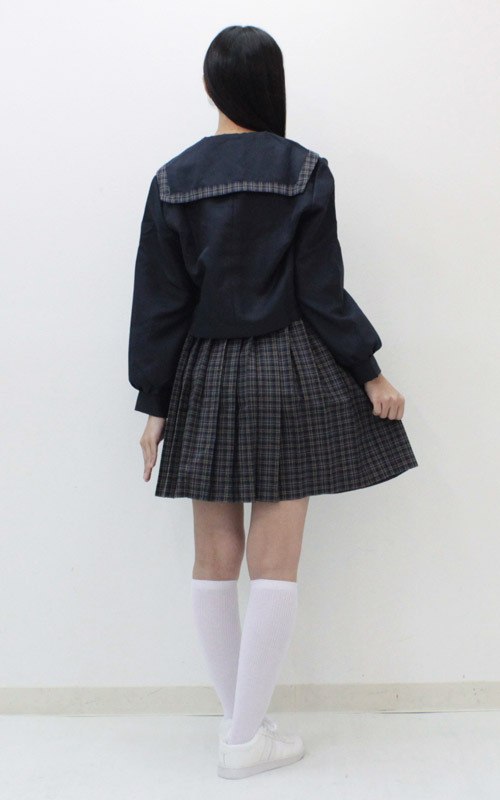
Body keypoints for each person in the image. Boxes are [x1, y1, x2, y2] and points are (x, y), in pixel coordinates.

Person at [127, 24, 418, 780]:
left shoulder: (172, 179)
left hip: (202, 376)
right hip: (287, 372)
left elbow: (160, 303)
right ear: (271, 85)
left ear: (209, 86)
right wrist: (369, 372)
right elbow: (321, 291)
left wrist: (156, 403)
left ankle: (242, 731)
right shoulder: (304, 170)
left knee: (213, 559)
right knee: (275, 564)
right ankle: (243, 739)